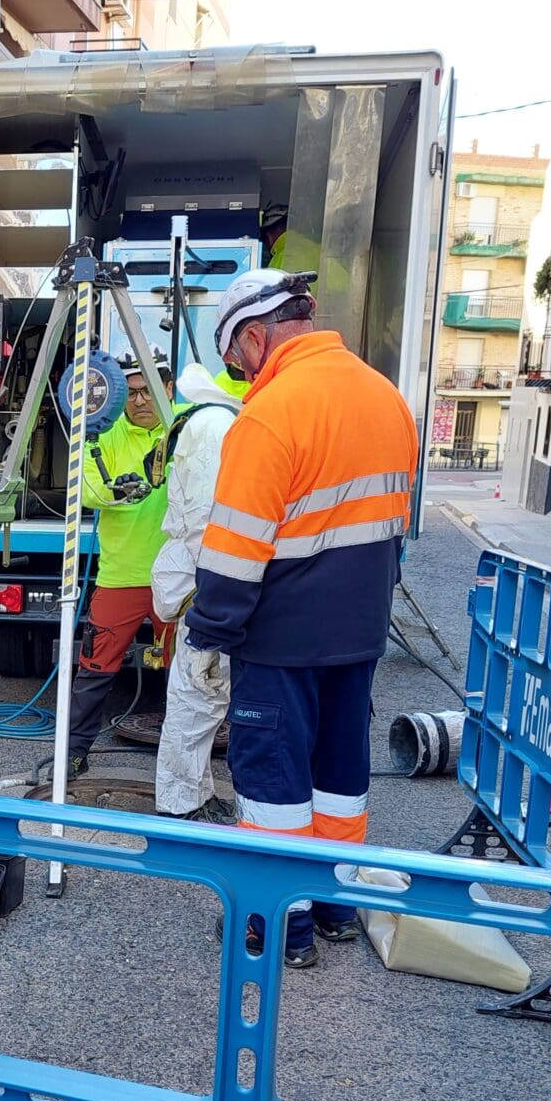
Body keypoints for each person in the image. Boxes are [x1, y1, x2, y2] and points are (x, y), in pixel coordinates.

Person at [186, 269, 417, 968]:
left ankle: (277, 927)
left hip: (282, 639)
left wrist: (210, 634)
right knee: (339, 778)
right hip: (359, 634)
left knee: (274, 785)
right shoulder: (388, 400)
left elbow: (235, 546)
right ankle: (337, 908)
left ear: (257, 336)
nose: (240, 376)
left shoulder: (272, 412)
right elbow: (392, 530)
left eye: (238, 361)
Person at [63, 348, 179, 777]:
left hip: (182, 575)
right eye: (131, 393)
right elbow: (87, 489)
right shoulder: (103, 434)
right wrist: (119, 492)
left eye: (149, 391)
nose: (141, 400)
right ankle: (72, 754)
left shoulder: (187, 425)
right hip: (122, 575)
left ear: (169, 389)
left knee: (188, 673)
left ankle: (186, 760)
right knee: (95, 669)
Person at [150, 363, 242, 821]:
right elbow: (207, 524)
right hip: (205, 580)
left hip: (201, 577)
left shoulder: (211, 423)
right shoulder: (216, 428)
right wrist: (216, 589)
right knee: (199, 693)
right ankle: (180, 804)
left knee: (203, 694)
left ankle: (195, 793)